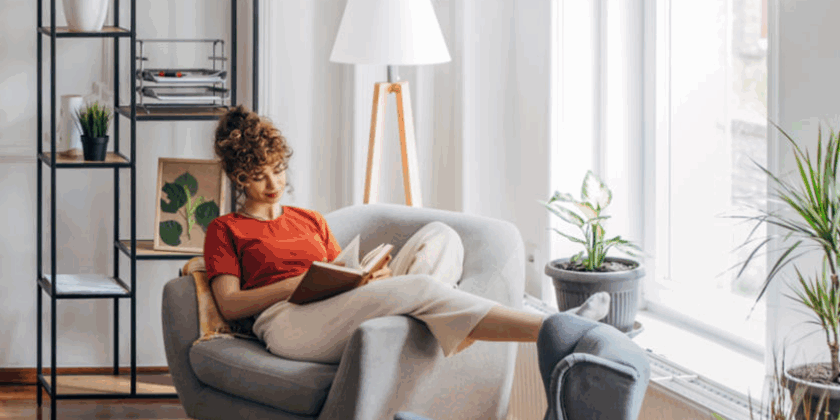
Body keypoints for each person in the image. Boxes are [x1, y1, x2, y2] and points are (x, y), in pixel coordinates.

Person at [202, 106, 609, 365]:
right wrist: (297, 284)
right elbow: (231, 304)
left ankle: (426, 318)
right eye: (258, 176)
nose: (273, 182)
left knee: (442, 235)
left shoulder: (309, 219)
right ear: (239, 178)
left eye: (277, 168)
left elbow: (340, 273)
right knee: (417, 287)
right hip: (287, 326)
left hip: (338, 310)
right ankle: (554, 330)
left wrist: (368, 277)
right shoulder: (226, 229)